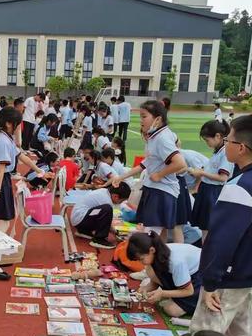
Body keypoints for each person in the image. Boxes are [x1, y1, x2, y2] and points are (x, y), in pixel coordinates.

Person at [190, 114, 252, 336]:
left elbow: (221, 240)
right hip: (247, 278)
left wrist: (210, 282)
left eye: (228, 139)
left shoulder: (239, 187)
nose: (225, 144)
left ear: (242, 148)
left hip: (229, 278)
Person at [0, 106, 50, 280]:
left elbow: (22, 156)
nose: (20, 127)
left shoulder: (6, 138)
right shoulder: (3, 141)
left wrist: (39, 171)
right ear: (10, 124)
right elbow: (1, 168)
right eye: (18, 124)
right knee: (2, 224)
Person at [113, 100, 185, 238]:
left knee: (151, 235)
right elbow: (144, 164)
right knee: (158, 234)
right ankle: (159, 258)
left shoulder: (161, 138)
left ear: (157, 119)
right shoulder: (156, 136)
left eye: (144, 116)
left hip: (161, 191)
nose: (140, 121)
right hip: (157, 189)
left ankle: (155, 258)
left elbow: (180, 163)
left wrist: (159, 175)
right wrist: (120, 177)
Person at [127, 231, 201, 316]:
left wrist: (162, 293)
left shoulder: (175, 262)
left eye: (141, 259)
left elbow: (188, 291)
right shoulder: (158, 253)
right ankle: (174, 295)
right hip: (186, 273)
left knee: (171, 310)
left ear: (152, 250)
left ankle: (198, 302)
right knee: (149, 269)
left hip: (200, 275)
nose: (141, 262)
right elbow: (156, 280)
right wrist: (146, 288)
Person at [190, 120, 233, 241]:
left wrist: (202, 173)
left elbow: (223, 178)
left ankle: (207, 255)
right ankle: (205, 254)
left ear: (218, 136)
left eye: (207, 140)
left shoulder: (225, 152)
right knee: (205, 228)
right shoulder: (218, 151)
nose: (207, 143)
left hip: (213, 192)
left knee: (209, 228)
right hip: (207, 190)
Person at [70, 183, 131, 249]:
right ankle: (99, 240)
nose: (121, 203)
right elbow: (106, 221)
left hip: (78, 218)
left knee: (105, 211)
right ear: (115, 196)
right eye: (121, 201)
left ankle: (83, 231)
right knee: (107, 209)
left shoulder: (104, 191)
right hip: (80, 220)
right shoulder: (106, 201)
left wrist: (116, 233)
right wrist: (115, 233)